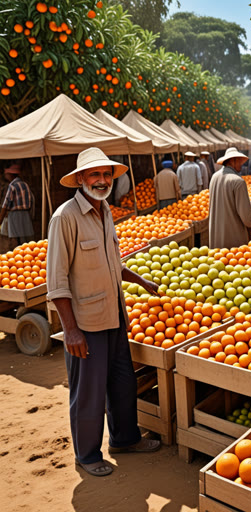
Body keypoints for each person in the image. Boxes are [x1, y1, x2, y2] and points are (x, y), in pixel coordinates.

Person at [47, 147, 161, 478]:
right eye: (94, 175)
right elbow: (56, 282)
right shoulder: (65, 218)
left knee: (123, 384)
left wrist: (140, 280)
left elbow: (113, 263)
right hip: (87, 324)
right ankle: (87, 454)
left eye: (106, 174)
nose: (101, 180)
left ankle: (125, 439)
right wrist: (71, 330)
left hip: (115, 317)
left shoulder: (105, 209)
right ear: (80, 179)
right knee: (89, 394)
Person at [209, 147, 251, 249]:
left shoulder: (214, 177)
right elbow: (247, 218)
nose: (241, 163)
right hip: (234, 240)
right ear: (232, 160)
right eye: (239, 160)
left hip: (216, 236)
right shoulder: (238, 182)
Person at [0, 162, 34, 246]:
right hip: (25, 214)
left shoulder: (12, 186)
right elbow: (31, 200)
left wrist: (0, 220)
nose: (5, 176)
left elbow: (6, 204)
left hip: (14, 215)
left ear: (11, 175)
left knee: (15, 239)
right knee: (26, 239)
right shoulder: (25, 184)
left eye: (7, 174)